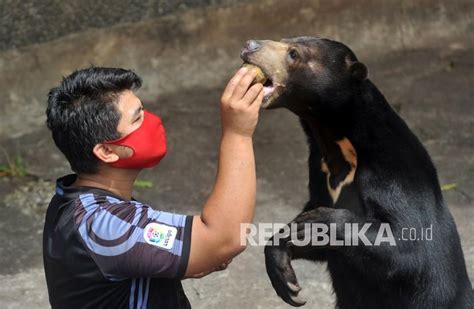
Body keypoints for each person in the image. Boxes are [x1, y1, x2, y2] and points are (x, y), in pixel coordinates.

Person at [43, 66, 263, 308]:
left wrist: (190, 257)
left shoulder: (74, 200)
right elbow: (224, 238)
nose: (152, 121)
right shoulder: (103, 225)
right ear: (106, 151)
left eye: (143, 110)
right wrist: (238, 133)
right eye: (137, 118)